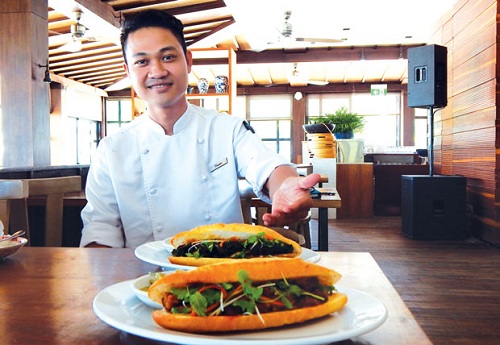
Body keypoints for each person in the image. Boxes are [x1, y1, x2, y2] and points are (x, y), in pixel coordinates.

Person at [79, 9, 321, 248]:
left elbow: (266, 165)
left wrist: (286, 185)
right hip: (143, 278)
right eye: (142, 61)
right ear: (128, 71)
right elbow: (100, 228)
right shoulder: (112, 149)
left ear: (188, 61)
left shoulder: (226, 128)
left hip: (224, 274)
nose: (157, 72)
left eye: (167, 57)